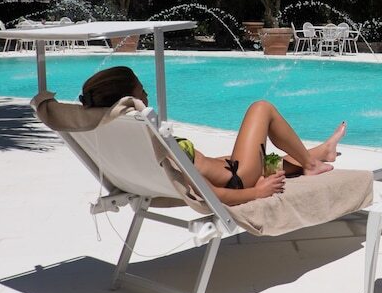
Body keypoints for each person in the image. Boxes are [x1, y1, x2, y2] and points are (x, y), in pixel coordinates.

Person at [79, 66, 346, 205]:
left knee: (266, 160)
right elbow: (211, 194)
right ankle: (310, 164)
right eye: (141, 90)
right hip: (237, 180)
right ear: (129, 98)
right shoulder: (151, 139)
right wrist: (257, 193)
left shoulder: (122, 135)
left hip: (228, 169)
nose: (146, 94)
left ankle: (322, 152)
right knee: (261, 108)